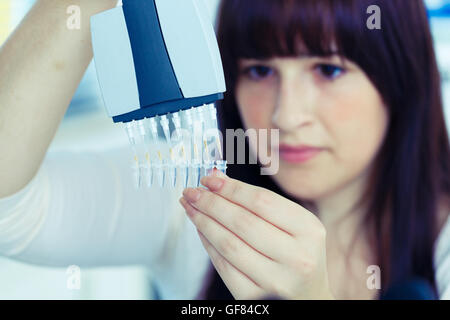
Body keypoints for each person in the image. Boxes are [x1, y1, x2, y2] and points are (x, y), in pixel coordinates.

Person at [0, 0, 449, 300]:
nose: (287, 116)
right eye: (258, 71)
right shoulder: (193, 189)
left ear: (400, 77)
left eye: (329, 70)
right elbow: (9, 208)